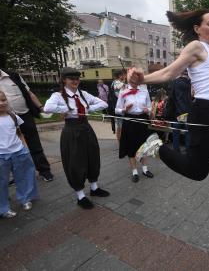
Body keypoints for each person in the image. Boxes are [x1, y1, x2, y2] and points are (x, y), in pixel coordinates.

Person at [133, 9, 209, 181]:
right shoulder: (196, 47)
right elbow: (169, 73)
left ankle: (198, 155)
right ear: (197, 28)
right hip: (204, 113)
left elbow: (202, 82)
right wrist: (141, 80)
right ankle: (157, 147)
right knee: (198, 172)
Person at [44, 67, 110, 209]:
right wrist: (67, 109)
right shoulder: (58, 95)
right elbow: (47, 108)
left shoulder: (83, 94)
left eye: (77, 78)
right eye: (71, 78)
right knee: (76, 162)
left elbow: (104, 103)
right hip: (72, 131)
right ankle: (80, 195)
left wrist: (86, 110)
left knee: (92, 157)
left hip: (86, 128)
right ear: (64, 80)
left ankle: (94, 188)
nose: (75, 81)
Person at [0, 69, 54, 182]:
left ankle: (44, 171)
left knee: (34, 143)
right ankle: (17, 174)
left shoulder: (13, 75)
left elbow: (29, 93)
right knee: (10, 148)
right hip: (5, 118)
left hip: (25, 115)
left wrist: (41, 107)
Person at [0, 91, 38, 218]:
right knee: (2, 182)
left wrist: (25, 148)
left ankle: (25, 198)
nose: (2, 103)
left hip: (19, 151)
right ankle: (3, 208)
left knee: (23, 177)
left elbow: (19, 133)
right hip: (2, 156)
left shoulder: (13, 116)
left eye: (3, 100)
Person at [115, 72, 154, 182]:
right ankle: (134, 171)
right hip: (130, 120)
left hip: (142, 120)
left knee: (144, 146)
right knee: (131, 146)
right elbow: (116, 110)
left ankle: (145, 169)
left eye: (136, 78)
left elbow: (150, 107)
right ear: (128, 79)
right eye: (132, 78)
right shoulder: (123, 92)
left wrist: (148, 110)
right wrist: (124, 110)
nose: (134, 80)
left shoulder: (145, 91)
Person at [170, 71, 192, 152]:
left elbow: (172, 97)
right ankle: (188, 149)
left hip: (177, 112)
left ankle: (176, 150)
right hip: (187, 112)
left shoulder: (175, 82)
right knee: (188, 133)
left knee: (176, 133)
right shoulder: (189, 83)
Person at [108, 69, 127, 141]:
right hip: (118, 107)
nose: (125, 76)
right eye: (124, 75)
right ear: (120, 75)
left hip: (118, 107)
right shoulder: (117, 83)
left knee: (120, 126)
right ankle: (120, 141)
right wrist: (125, 83)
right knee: (120, 126)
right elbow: (120, 89)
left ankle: (120, 141)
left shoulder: (116, 82)